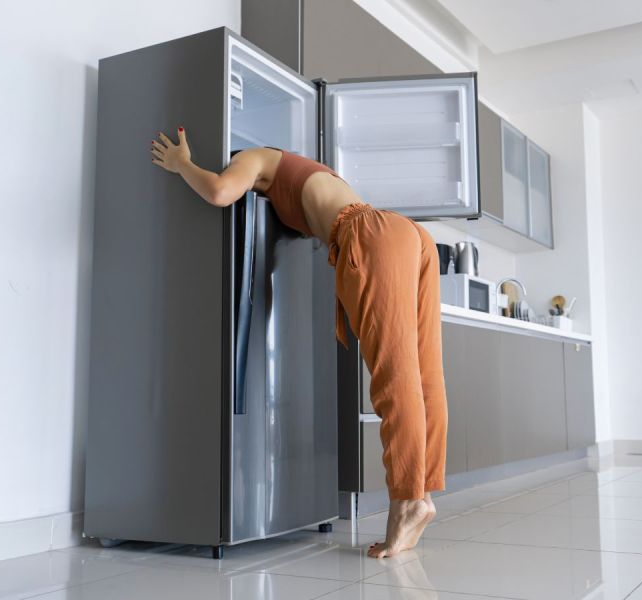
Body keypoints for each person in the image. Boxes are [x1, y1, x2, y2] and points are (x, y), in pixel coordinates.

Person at [150, 127, 448, 558]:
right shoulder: (310, 172)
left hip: (372, 237)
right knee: (424, 373)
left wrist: (182, 164)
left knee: (394, 372)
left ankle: (407, 502)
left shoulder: (254, 157)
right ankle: (423, 495)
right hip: (410, 236)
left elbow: (219, 192)